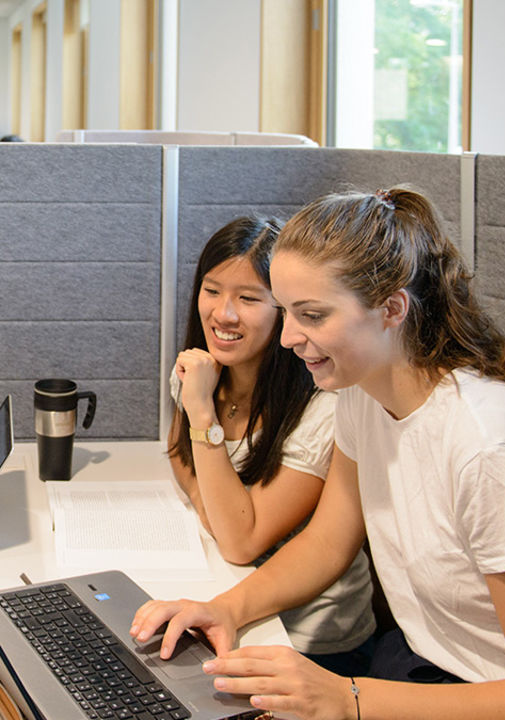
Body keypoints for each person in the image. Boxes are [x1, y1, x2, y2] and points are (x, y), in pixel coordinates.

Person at [132, 187, 505, 720]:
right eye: (287, 312)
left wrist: (347, 697)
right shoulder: (360, 395)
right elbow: (326, 543)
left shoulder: (487, 446)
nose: (289, 337)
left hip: (483, 694)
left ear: (392, 309)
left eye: (312, 315)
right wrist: (223, 610)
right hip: (418, 664)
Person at [167, 216, 376, 677]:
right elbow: (181, 457)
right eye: (212, 290)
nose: (223, 314)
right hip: (230, 596)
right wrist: (211, 505)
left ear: (284, 308)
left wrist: (201, 410)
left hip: (310, 640)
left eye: (248, 298)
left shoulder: (326, 405)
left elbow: (242, 541)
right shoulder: (202, 371)